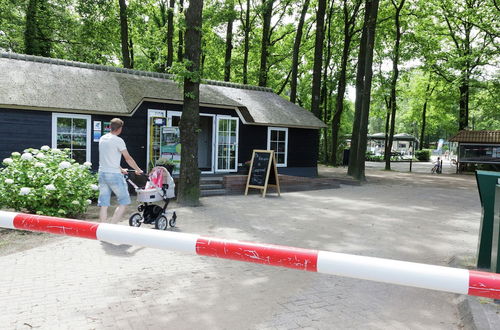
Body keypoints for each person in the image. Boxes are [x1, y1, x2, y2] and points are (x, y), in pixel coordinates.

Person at [98, 118, 143, 222]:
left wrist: (121, 168)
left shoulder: (102, 139)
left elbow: (107, 157)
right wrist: (138, 169)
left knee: (104, 204)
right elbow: (128, 158)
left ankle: (103, 228)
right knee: (124, 201)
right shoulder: (118, 140)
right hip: (114, 175)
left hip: (102, 173)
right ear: (119, 129)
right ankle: (112, 227)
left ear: (110, 127)